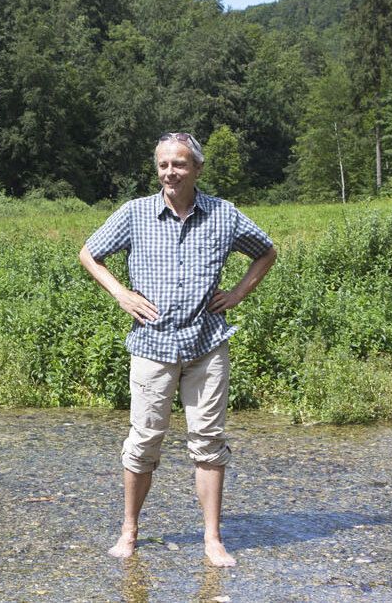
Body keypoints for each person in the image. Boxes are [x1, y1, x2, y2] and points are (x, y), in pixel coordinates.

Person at [78, 132, 277, 567]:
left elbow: (266, 251)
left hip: (207, 346)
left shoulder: (224, 215)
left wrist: (239, 292)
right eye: (164, 164)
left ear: (197, 169)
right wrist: (120, 294)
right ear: (157, 169)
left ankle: (212, 540)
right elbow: (89, 253)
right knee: (143, 441)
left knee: (208, 441)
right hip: (152, 345)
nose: (171, 172)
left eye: (180, 164)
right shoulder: (134, 214)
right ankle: (129, 532)